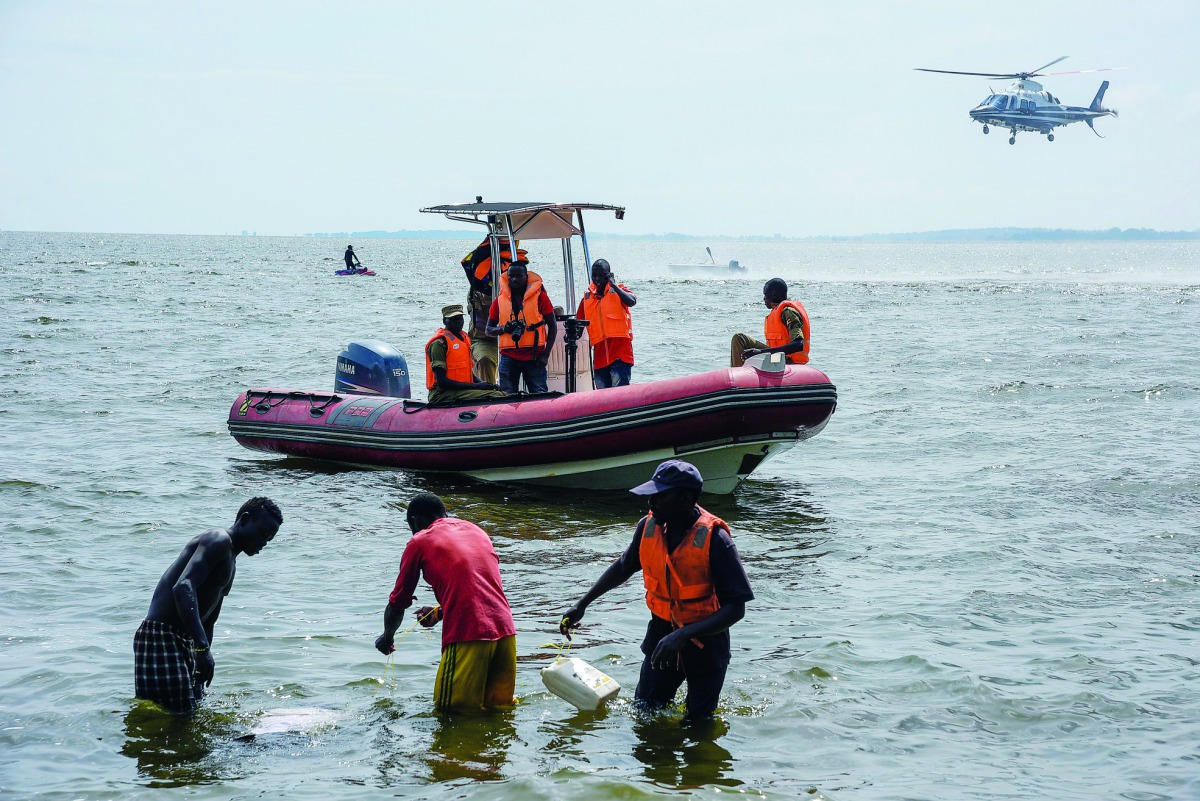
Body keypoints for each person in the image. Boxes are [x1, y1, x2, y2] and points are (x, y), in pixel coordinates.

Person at [559, 461, 752, 722]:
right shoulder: (648, 527)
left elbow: (735, 608)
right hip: (661, 636)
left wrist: (684, 635)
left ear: (686, 498)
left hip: (706, 642)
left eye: (660, 496)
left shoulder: (716, 540)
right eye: (651, 495)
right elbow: (624, 566)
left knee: (698, 724)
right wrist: (583, 604)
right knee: (645, 713)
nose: (651, 502)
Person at [133, 497, 283, 714]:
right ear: (244, 519)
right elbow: (183, 587)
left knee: (192, 709)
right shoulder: (218, 540)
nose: (264, 541)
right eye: (262, 533)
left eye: (269, 538)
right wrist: (201, 647)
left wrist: (202, 655)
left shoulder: (231, 560)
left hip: (185, 640)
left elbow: (210, 618)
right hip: (162, 635)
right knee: (177, 715)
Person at [375, 492, 517, 713]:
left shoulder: (419, 541)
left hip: (468, 636)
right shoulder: (477, 531)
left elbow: (398, 603)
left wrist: (387, 637)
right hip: (506, 635)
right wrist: (439, 613)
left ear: (415, 521)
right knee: (498, 715)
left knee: (450, 716)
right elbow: (480, 593)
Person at [485, 260, 558, 394]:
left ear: (526, 277)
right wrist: (503, 329)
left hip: (535, 357)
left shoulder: (540, 297)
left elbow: (553, 326)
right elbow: (488, 330)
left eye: (519, 276)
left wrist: (546, 354)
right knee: (507, 396)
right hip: (509, 357)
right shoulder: (499, 301)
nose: (514, 279)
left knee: (539, 394)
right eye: (511, 276)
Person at [461, 236, 527, 384]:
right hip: (485, 340)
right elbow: (484, 327)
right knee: (485, 359)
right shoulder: (478, 290)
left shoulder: (528, 290)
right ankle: (489, 396)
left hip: (519, 341)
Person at [425, 304, 506, 405]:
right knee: (496, 396)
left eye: (460, 318)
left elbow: (469, 373)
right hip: (442, 394)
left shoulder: (464, 339)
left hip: (461, 390)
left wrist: (484, 384)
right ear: (444, 321)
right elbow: (442, 381)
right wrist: (476, 387)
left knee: (500, 393)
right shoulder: (439, 344)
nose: (458, 322)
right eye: (453, 319)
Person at [576, 258, 637, 388]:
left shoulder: (619, 290)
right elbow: (578, 327)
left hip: (620, 356)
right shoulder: (586, 299)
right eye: (594, 275)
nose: (597, 279)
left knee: (620, 396)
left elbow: (632, 301)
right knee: (603, 399)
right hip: (600, 359)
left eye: (601, 275)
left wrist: (613, 285)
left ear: (609, 275)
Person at [730, 278, 810, 367]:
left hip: (788, 361)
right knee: (742, 340)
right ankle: (743, 372)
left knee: (739, 338)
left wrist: (761, 352)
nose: (764, 299)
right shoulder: (777, 311)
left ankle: (737, 374)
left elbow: (798, 344)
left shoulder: (788, 312)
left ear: (774, 294)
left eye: (765, 295)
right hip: (777, 357)